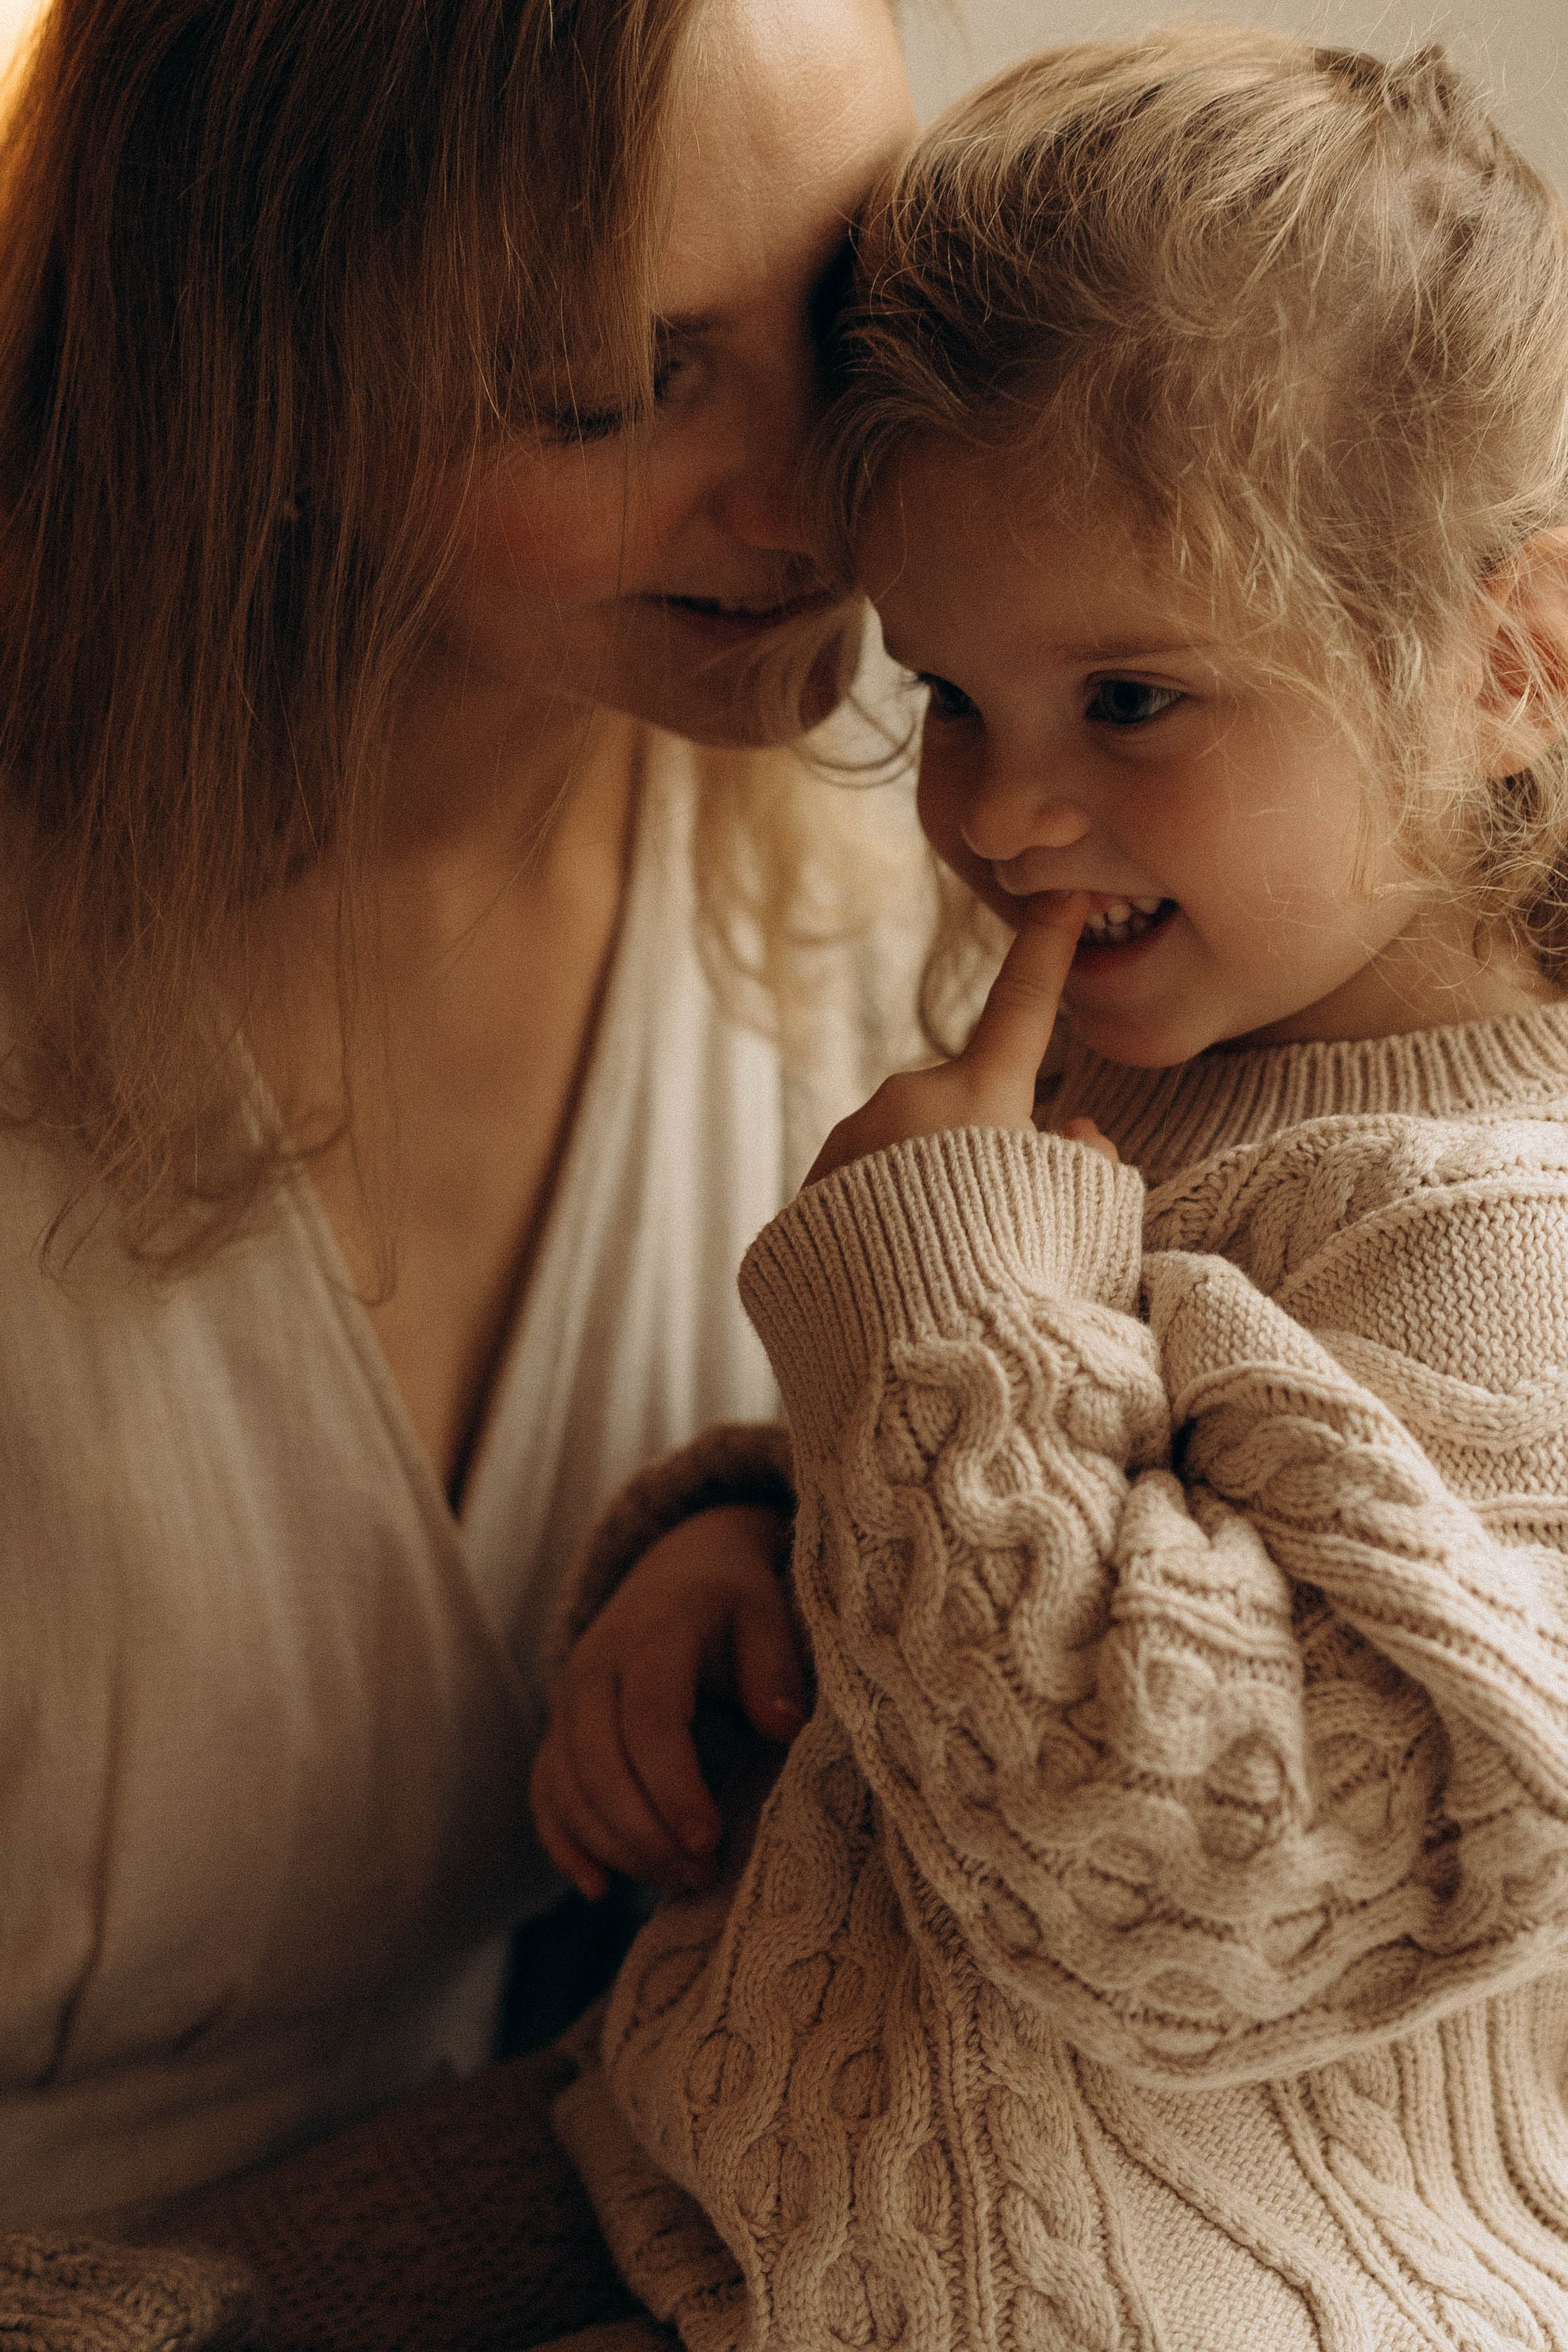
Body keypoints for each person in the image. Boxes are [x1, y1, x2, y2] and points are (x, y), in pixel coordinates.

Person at [540, 27, 1568, 2348]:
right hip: (755, 2185)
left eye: (1128, 701)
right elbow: (1019, 1559)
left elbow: (1201, 1890)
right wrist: (748, 1547)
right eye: (951, 696)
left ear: (1508, 658)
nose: (1000, 814)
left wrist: (930, 1316)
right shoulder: (1161, 1069)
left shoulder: (1511, 1244)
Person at [0, 0, 926, 2245]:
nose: (823, 498)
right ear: (252, 355)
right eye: (616, 380)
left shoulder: (897, 889)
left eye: (855, 304)